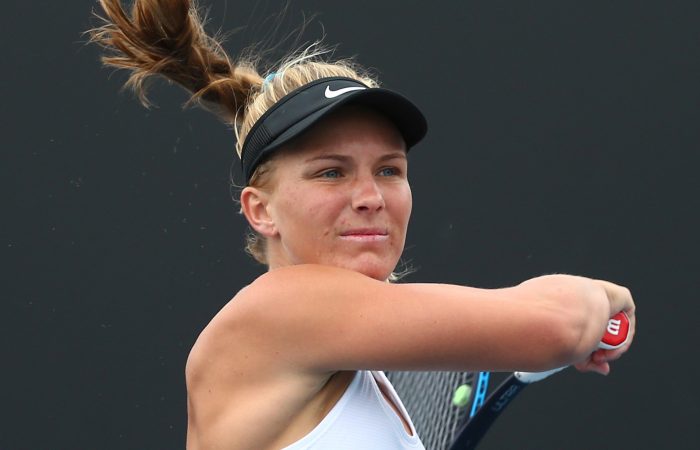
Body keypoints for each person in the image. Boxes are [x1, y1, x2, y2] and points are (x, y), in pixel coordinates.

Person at [89, 1, 636, 449]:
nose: (371, 197)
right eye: (331, 172)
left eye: (389, 170)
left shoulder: (354, 369)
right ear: (260, 210)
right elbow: (558, 327)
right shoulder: (283, 309)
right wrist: (606, 295)